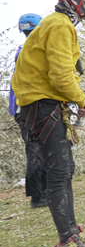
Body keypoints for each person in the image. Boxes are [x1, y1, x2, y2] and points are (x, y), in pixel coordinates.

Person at [11, 0, 85, 247]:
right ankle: (66, 242)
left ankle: (72, 232)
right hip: (43, 105)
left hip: (45, 103)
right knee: (59, 171)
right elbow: (61, 75)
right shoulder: (60, 26)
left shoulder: (55, 24)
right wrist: (81, 99)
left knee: (65, 170)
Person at [9, 13, 48, 208]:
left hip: (23, 108)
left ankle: (43, 191)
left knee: (39, 149)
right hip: (28, 109)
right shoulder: (29, 53)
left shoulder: (22, 51)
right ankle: (38, 196)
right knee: (36, 151)